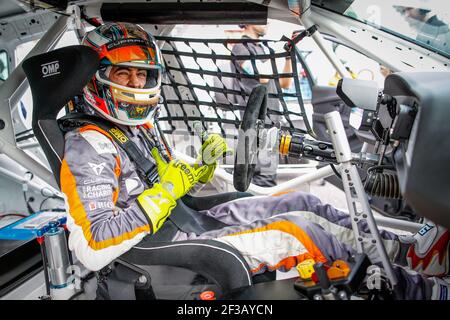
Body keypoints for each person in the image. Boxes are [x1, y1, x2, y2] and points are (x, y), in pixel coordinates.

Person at [61, 22, 450, 300]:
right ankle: (421, 292)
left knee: (307, 203)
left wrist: (198, 165)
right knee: (301, 231)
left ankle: (406, 254)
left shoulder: (136, 126)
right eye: (122, 74)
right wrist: (169, 190)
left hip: (182, 217)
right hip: (161, 244)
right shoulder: (88, 144)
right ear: (98, 79)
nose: (133, 85)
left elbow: (160, 181)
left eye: (141, 76)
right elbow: (92, 246)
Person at [228, 24, 295, 187]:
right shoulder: (240, 48)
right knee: (261, 177)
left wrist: (288, 55)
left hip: (271, 120)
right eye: (262, 21)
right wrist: (277, 50)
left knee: (268, 174)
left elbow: (285, 83)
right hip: (255, 122)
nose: (267, 24)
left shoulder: (262, 49)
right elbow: (263, 76)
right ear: (249, 21)